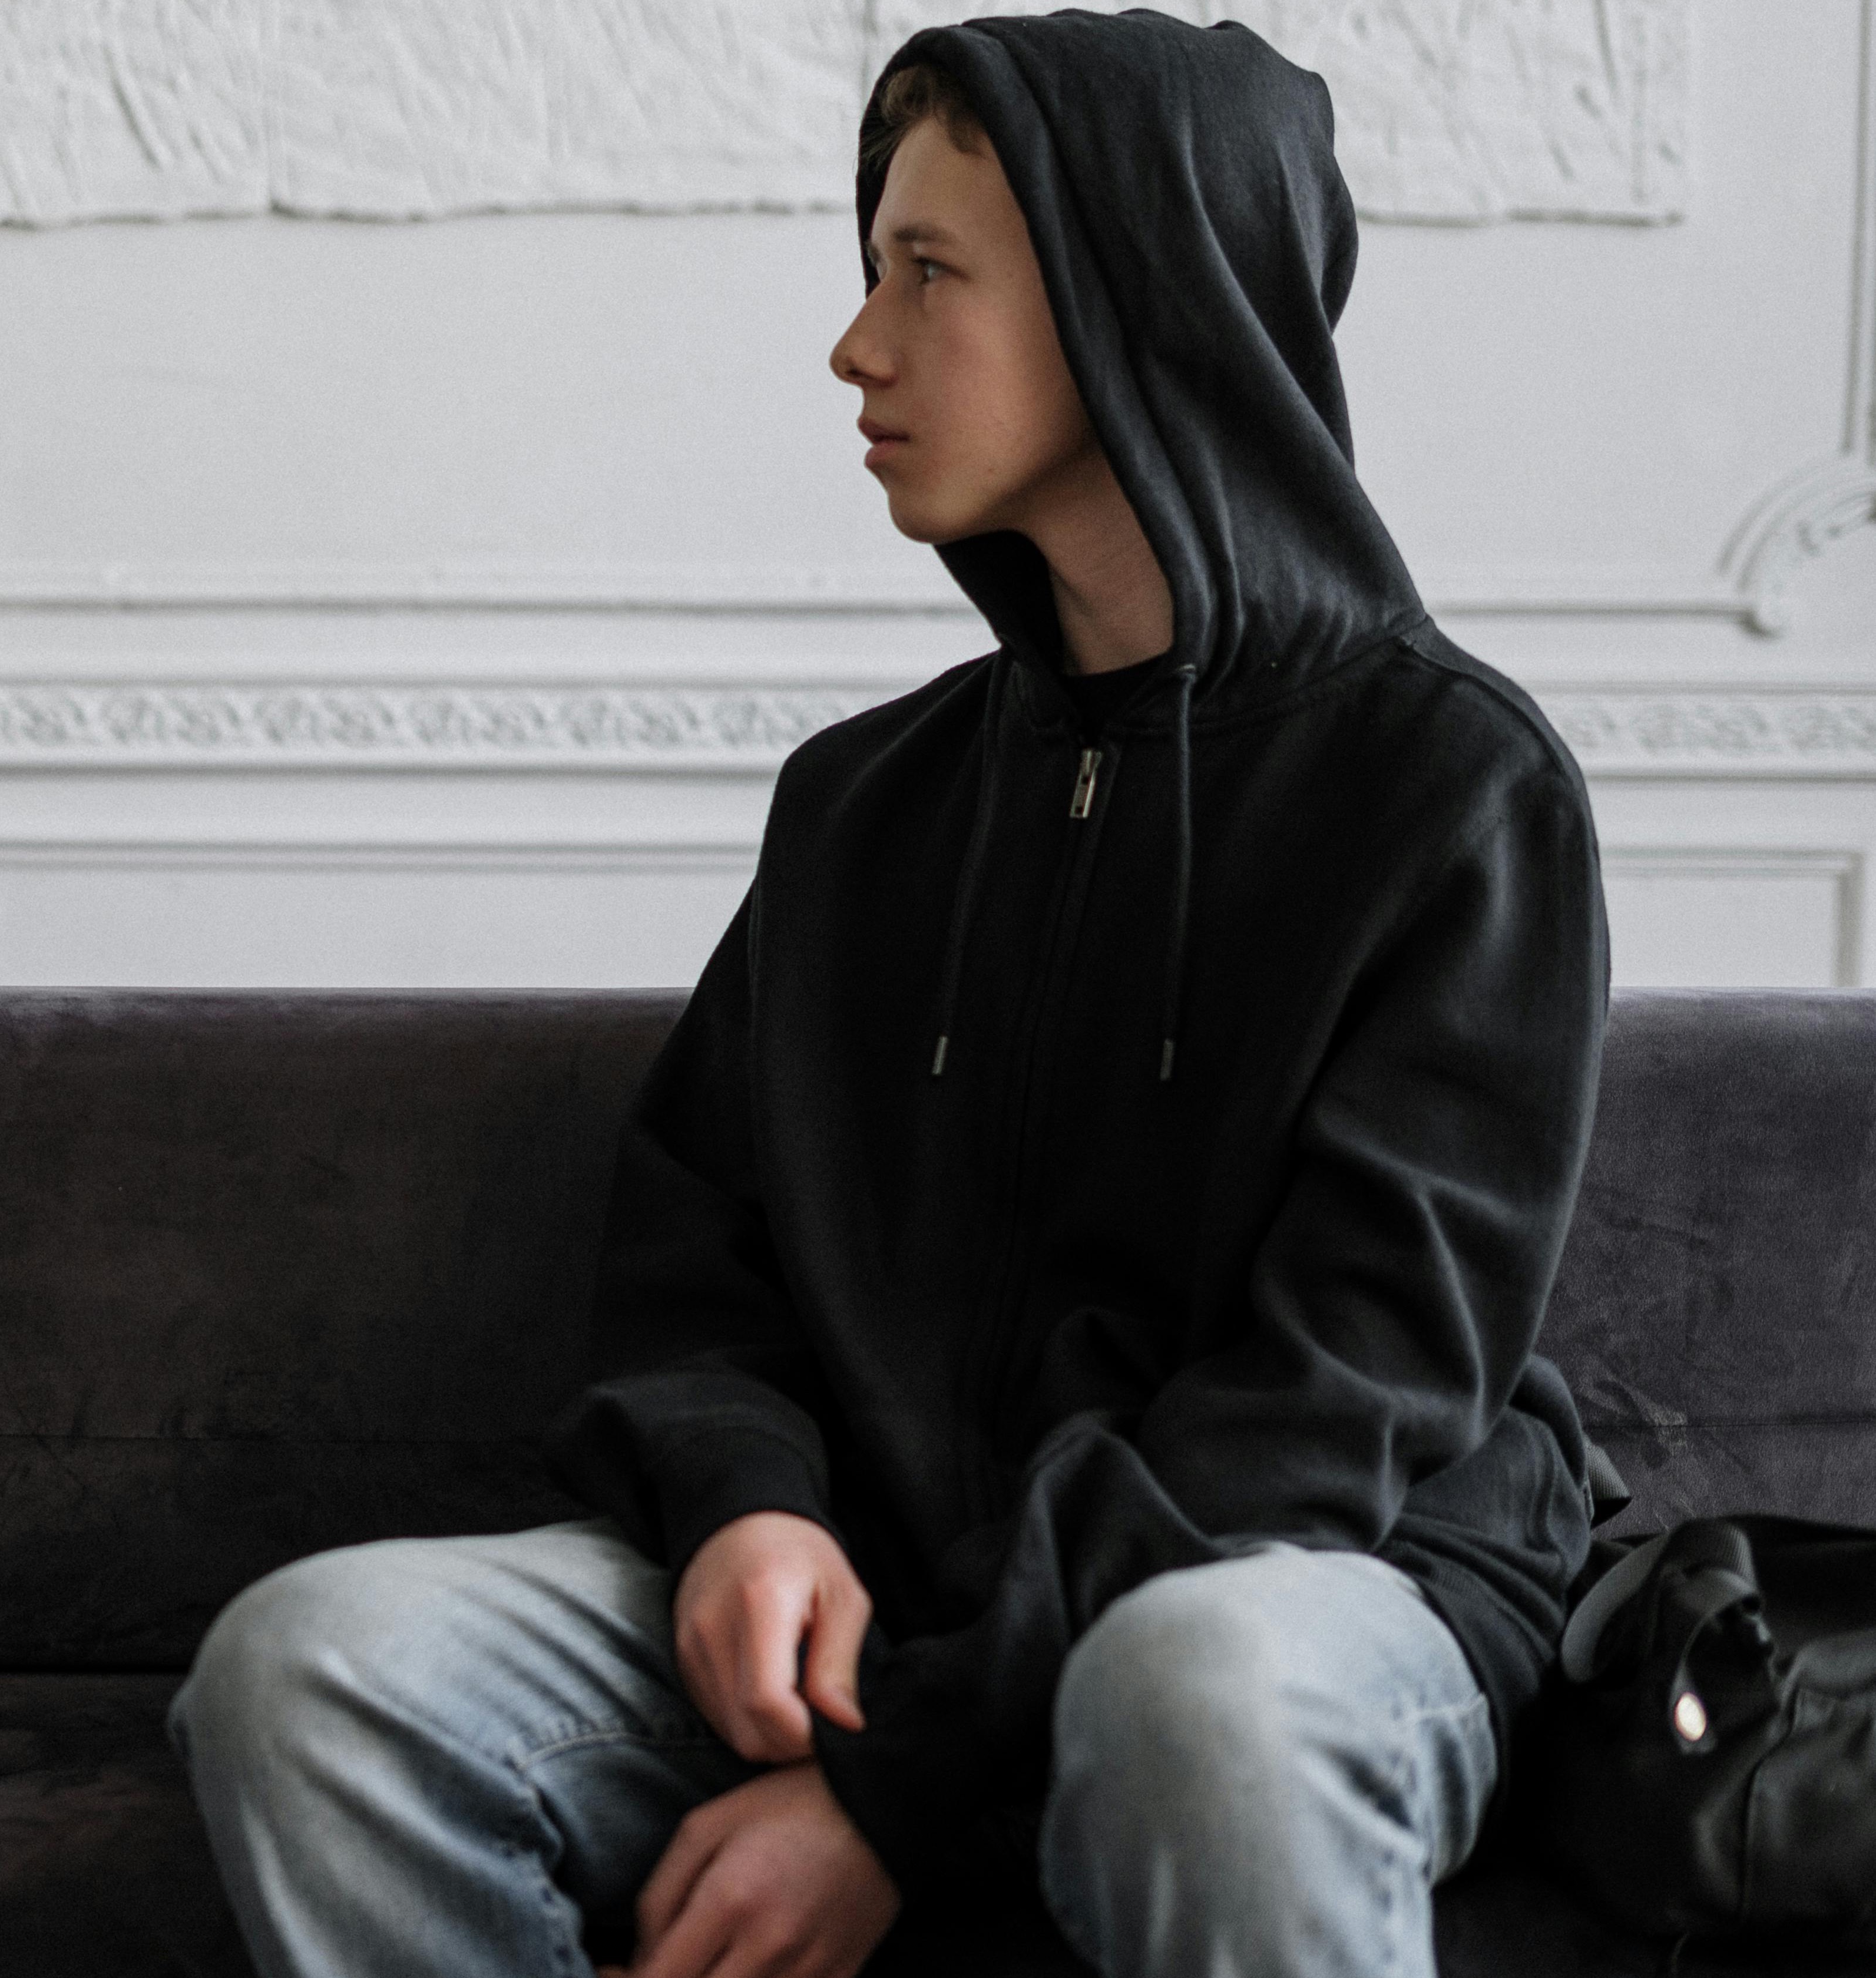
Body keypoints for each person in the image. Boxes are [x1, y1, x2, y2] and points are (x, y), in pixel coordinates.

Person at [172, 16, 1608, 1978]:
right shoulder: (865, 805)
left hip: (1309, 1589)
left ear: (1141, 302)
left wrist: (896, 1780)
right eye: (873, 271)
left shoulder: (1450, 789)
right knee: (316, 1665)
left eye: (925, 273)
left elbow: (1327, 1409)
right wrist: (749, 1510)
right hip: (878, 1592)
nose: (857, 346)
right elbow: (698, 1270)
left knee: (1190, 1685)